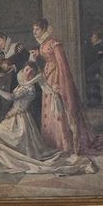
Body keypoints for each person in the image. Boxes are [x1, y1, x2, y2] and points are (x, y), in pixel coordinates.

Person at [0, 62, 96, 176]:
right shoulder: (22, 85)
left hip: (21, 120)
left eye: (31, 72)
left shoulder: (28, 88)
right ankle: (5, 161)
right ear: (23, 70)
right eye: (27, 70)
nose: (28, 73)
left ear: (34, 75)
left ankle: (10, 161)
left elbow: (11, 97)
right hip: (13, 117)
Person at [30, 18, 93, 155]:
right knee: (49, 107)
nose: (34, 32)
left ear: (45, 29)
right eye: (33, 29)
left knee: (58, 108)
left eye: (37, 29)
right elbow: (46, 59)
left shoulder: (54, 43)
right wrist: (38, 56)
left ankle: (64, 143)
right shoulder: (42, 44)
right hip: (47, 77)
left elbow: (62, 64)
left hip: (56, 77)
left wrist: (60, 83)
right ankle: (52, 141)